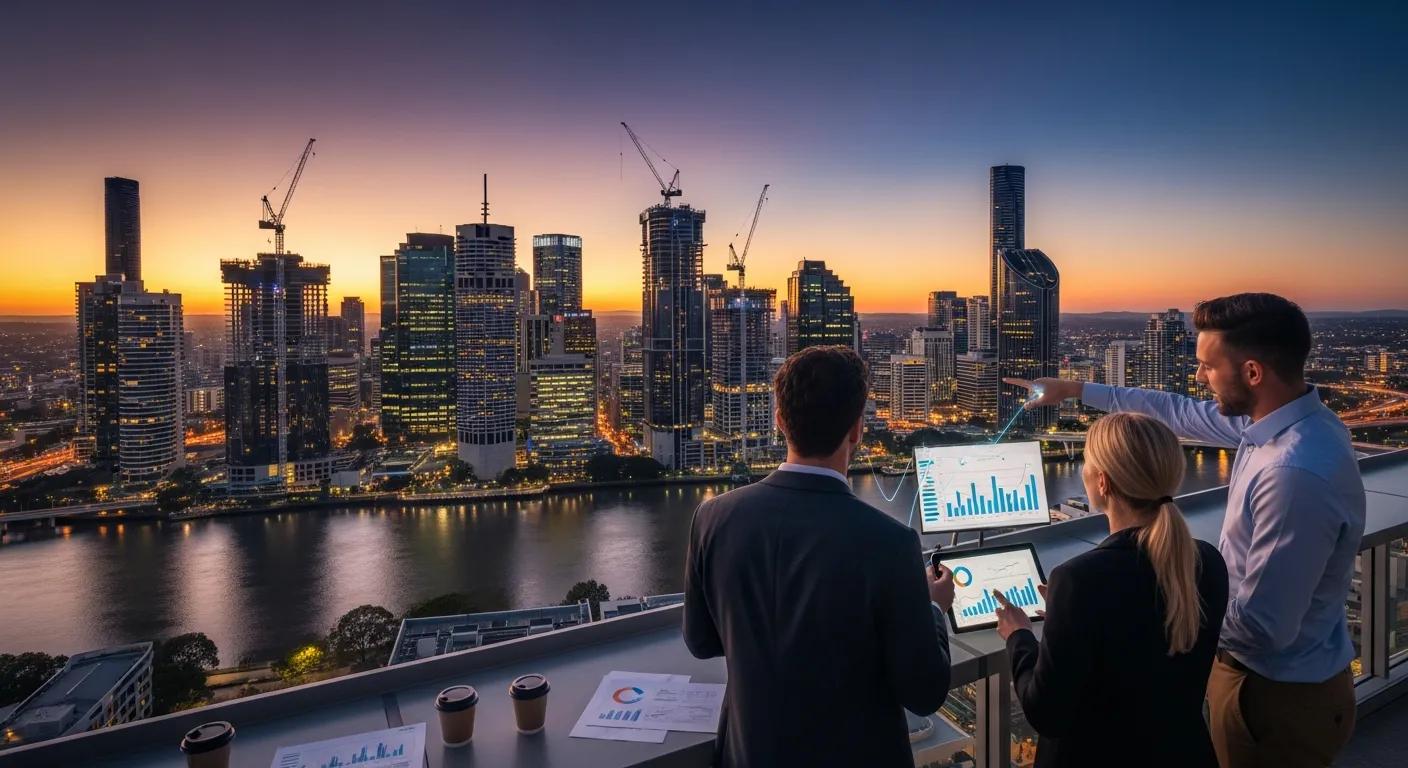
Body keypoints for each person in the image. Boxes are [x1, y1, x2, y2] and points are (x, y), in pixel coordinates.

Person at [1008, 292, 1364, 768]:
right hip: (1262, 683)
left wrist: (1122, 613)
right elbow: (1175, 412)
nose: (1198, 377)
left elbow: (1264, 629)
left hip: (1274, 696)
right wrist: (1075, 391)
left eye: (1208, 367)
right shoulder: (1275, 427)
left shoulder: (1294, 472)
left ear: (1253, 372)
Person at [683, 345, 954, 768]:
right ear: (857, 430)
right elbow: (924, 692)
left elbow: (701, 642)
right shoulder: (891, 543)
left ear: (779, 422)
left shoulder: (712, 518)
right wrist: (933, 608)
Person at [993, 412, 1229, 766]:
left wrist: (1020, 636)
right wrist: (1066, 614)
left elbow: (1045, 713)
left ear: (1101, 483)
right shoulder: (1207, 561)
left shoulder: (1079, 581)